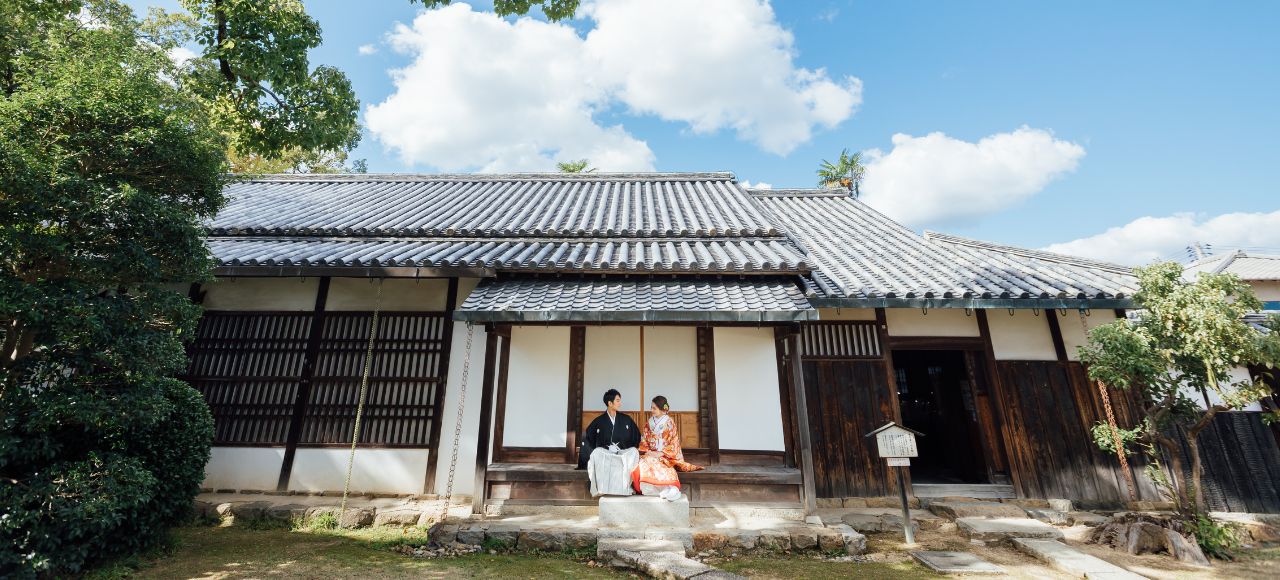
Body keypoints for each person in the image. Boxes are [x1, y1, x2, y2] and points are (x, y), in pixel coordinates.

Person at [632, 395, 703, 501]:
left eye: (654, 408)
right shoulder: (649, 422)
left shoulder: (669, 422)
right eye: (651, 407)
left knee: (662, 463)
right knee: (644, 462)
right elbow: (644, 440)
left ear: (661, 409)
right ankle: (654, 490)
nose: (651, 410)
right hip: (651, 452)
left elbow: (673, 441)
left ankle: (671, 488)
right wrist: (648, 452)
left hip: (665, 454)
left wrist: (662, 453)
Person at [578, 388, 642, 496]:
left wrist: (622, 448)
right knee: (597, 452)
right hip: (606, 455)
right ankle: (603, 488)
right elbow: (588, 439)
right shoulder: (599, 421)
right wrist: (604, 449)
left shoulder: (626, 419)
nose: (620, 403)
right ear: (610, 403)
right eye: (617, 400)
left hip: (622, 454)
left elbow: (636, 437)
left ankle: (625, 487)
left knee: (634, 452)